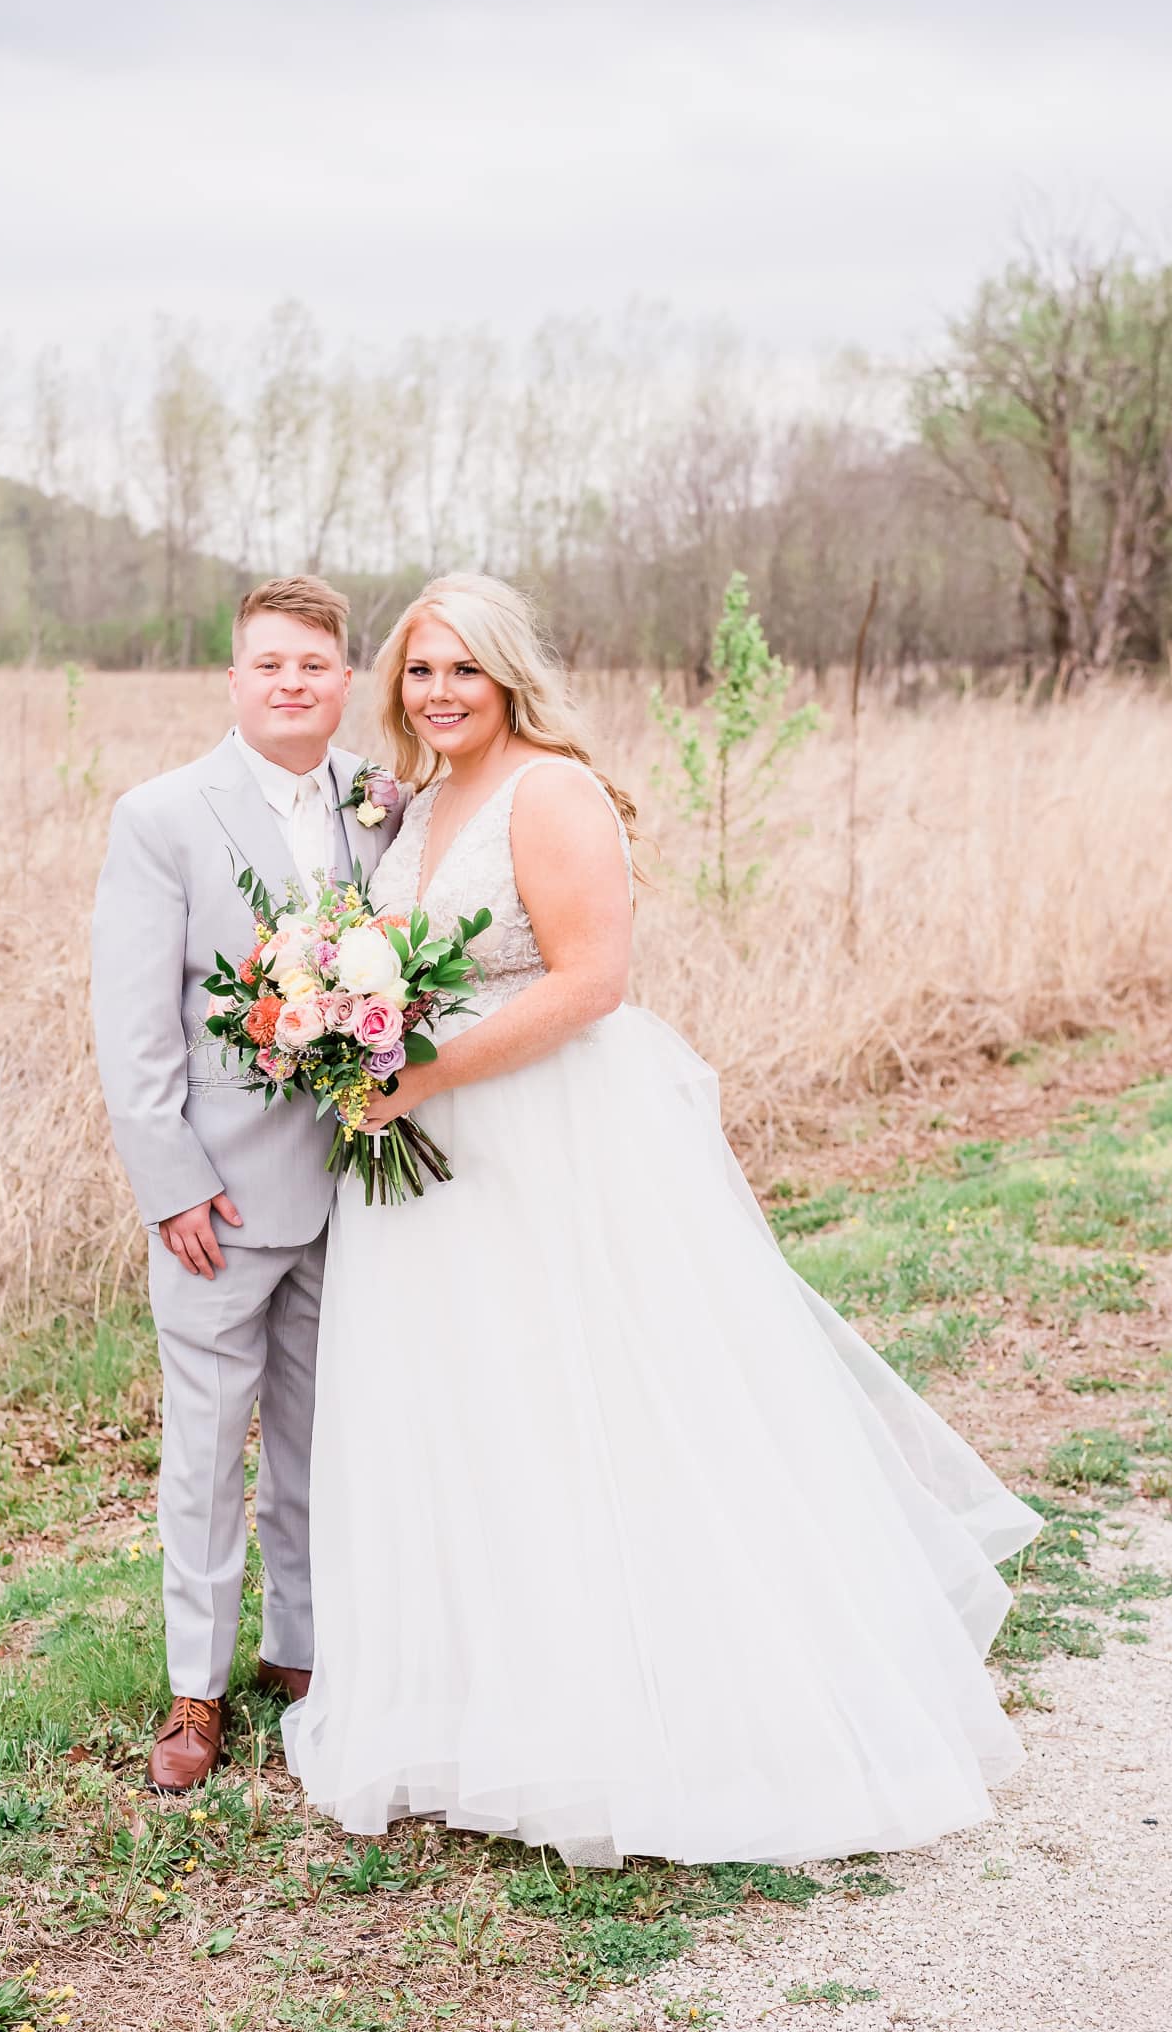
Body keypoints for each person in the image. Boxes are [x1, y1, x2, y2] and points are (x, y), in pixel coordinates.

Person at [282, 572, 1042, 1868]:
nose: (440, 691)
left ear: (506, 675)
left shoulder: (550, 789)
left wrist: (420, 1074)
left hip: (543, 1137)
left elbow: (592, 981)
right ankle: (487, 1708)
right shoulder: (412, 800)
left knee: (590, 1406)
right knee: (471, 1419)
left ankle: (643, 1715)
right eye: (419, 670)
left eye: (462, 669)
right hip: (430, 1160)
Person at [91, 576, 404, 1792]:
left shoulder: (380, 806)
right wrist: (169, 1183)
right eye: (268, 663)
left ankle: (304, 1650)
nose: (291, 683)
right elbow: (134, 1026)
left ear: (341, 680)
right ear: (233, 679)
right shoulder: (163, 815)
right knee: (207, 1444)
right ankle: (194, 1687)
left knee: (326, 1436)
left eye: (314, 666)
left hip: (362, 1185)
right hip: (217, 1198)